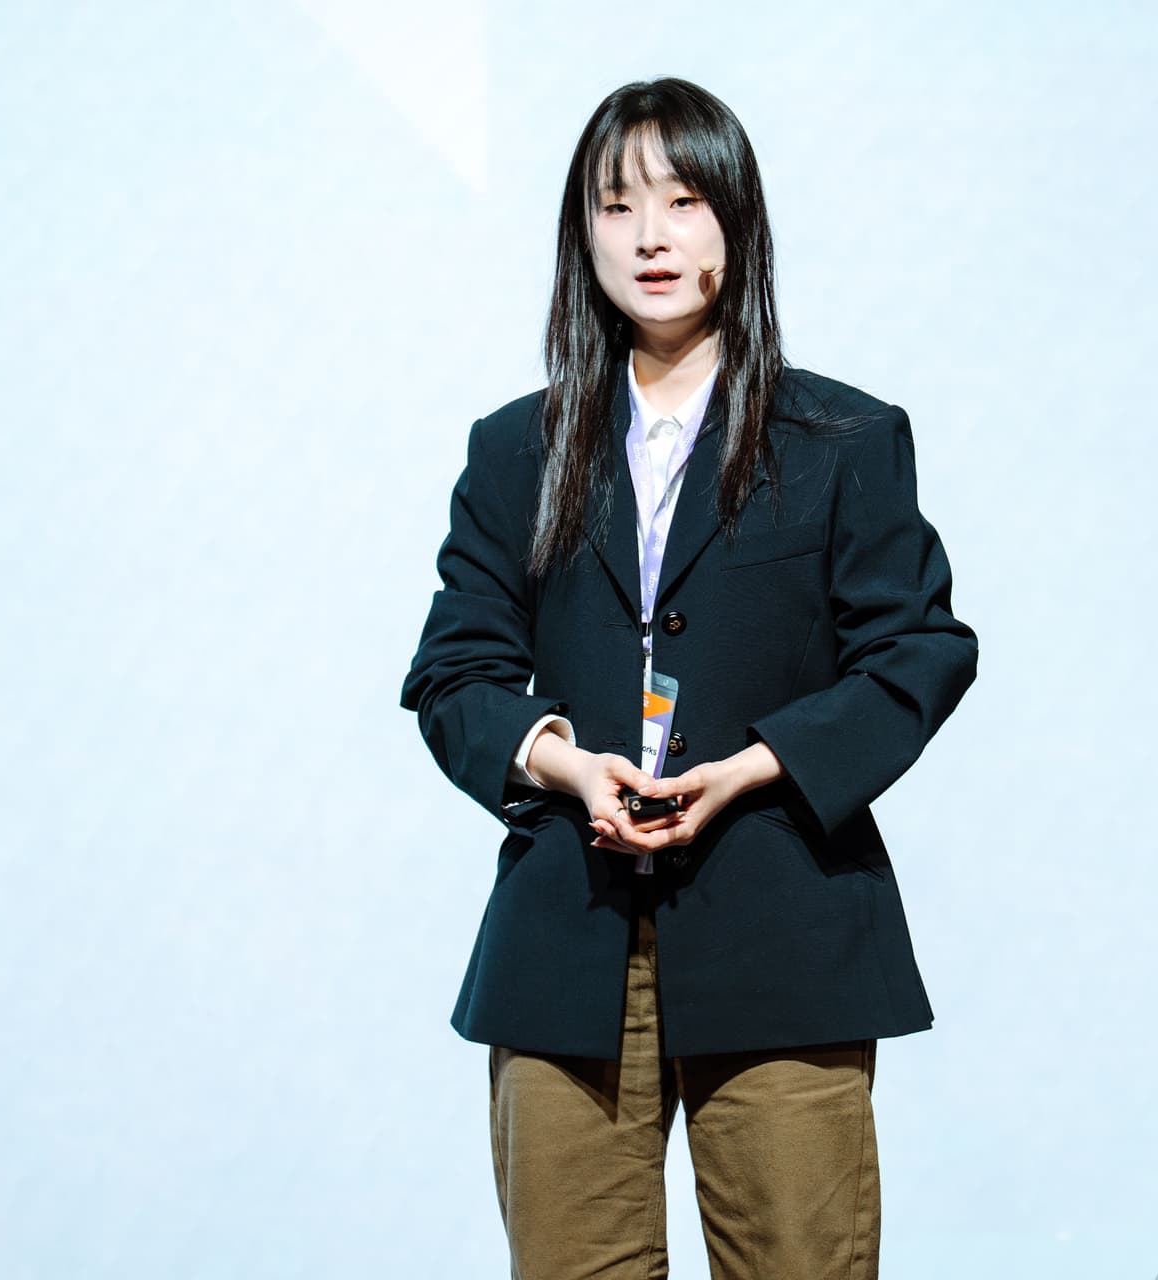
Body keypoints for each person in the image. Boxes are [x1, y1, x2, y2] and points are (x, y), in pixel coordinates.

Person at [398, 76, 977, 1279]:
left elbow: (920, 647)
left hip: (784, 928)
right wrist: (560, 760)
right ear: (583, 235)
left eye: (683, 198)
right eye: (617, 205)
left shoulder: (842, 441)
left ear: (737, 223)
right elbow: (453, 672)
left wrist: (758, 763)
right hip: (568, 938)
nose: (651, 233)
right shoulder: (517, 449)